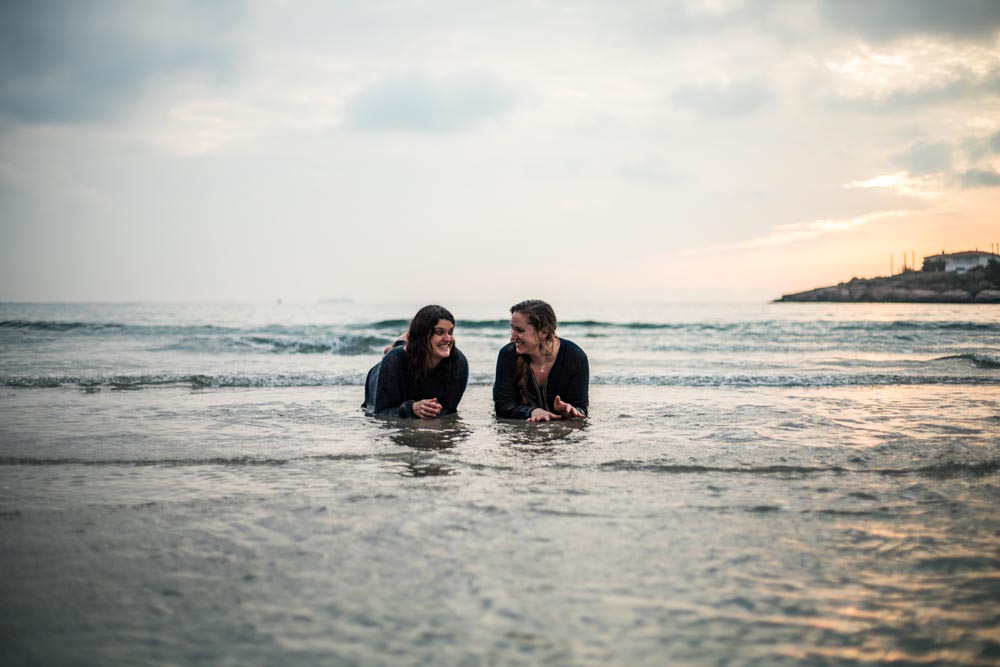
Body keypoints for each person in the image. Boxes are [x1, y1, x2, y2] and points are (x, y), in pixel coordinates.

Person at [363, 305, 469, 419]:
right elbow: (380, 413)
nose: (448, 339)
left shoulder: (459, 363)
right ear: (422, 335)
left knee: (412, 349)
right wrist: (411, 408)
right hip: (383, 371)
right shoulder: (393, 362)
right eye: (440, 332)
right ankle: (397, 345)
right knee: (396, 354)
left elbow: (449, 410)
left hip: (413, 351)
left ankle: (402, 342)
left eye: (450, 332)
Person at [493, 299, 589, 422]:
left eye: (520, 330)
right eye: (512, 328)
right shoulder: (508, 355)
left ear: (544, 332)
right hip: (524, 431)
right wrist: (532, 411)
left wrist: (570, 411)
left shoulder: (575, 357)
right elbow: (503, 406)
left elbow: (581, 408)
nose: (512, 336)